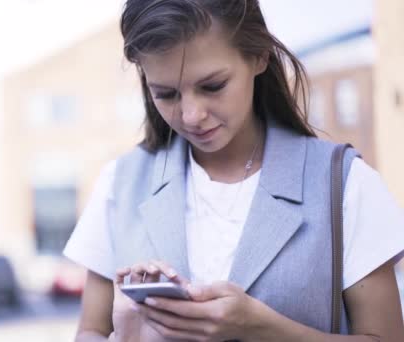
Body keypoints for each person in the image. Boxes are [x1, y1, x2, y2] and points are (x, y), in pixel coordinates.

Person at [64, 0, 404, 341]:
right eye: (166, 94)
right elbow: (90, 331)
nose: (192, 115)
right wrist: (126, 333)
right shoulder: (119, 183)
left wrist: (264, 329)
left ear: (258, 56)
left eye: (212, 86)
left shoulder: (344, 184)